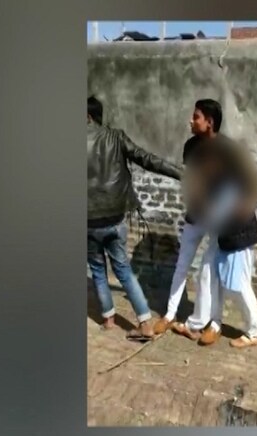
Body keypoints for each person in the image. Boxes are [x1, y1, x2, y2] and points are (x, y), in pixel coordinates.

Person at [87, 96, 182, 339]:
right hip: (115, 218)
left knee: (97, 270)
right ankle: (145, 323)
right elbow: (147, 159)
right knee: (124, 271)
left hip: (88, 221)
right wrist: (181, 174)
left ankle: (108, 320)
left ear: (87, 116)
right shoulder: (116, 137)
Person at [172, 124, 257, 348]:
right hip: (225, 239)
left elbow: (220, 214)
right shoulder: (217, 183)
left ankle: (253, 333)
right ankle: (200, 323)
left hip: (238, 239)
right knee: (207, 274)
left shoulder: (231, 183)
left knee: (239, 286)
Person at [152, 99, 225, 336]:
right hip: (195, 214)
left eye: (196, 117)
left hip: (217, 219)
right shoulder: (191, 146)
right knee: (182, 264)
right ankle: (169, 314)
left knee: (213, 271)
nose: (191, 121)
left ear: (209, 122)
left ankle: (215, 323)